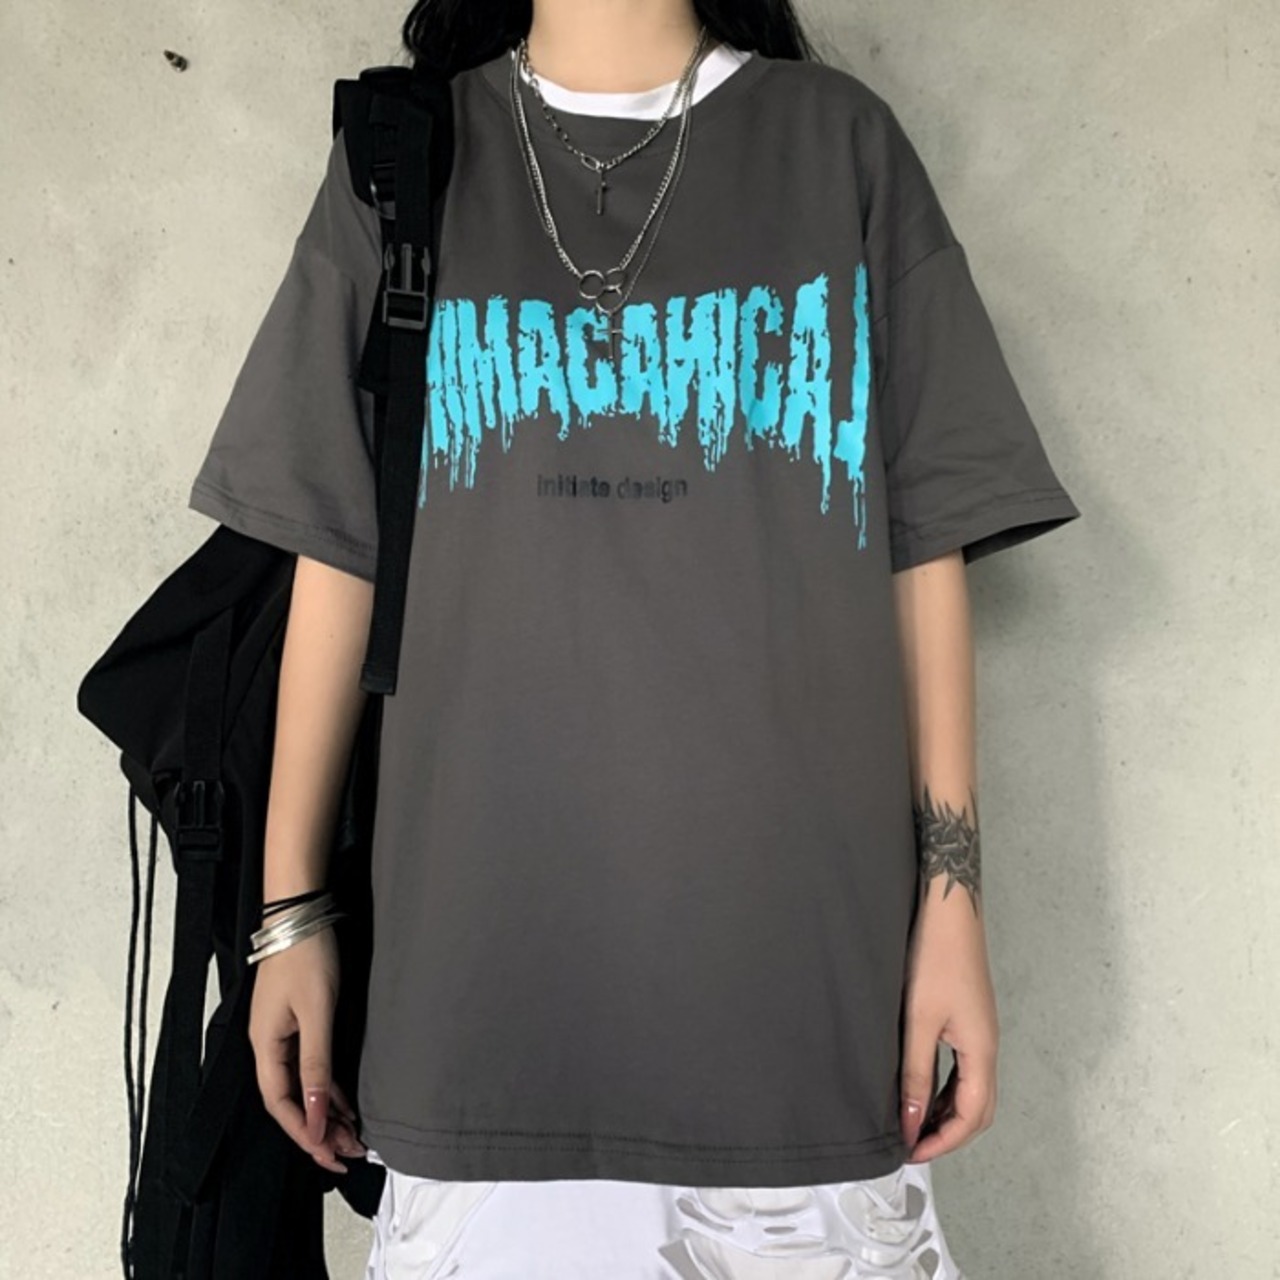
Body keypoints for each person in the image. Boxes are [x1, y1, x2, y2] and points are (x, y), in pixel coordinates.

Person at [186, 1, 1082, 1274]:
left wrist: (952, 906)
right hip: (477, 989)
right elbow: (336, 547)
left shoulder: (838, 145)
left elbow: (917, 541)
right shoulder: (405, 152)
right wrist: (290, 914)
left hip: (794, 991)